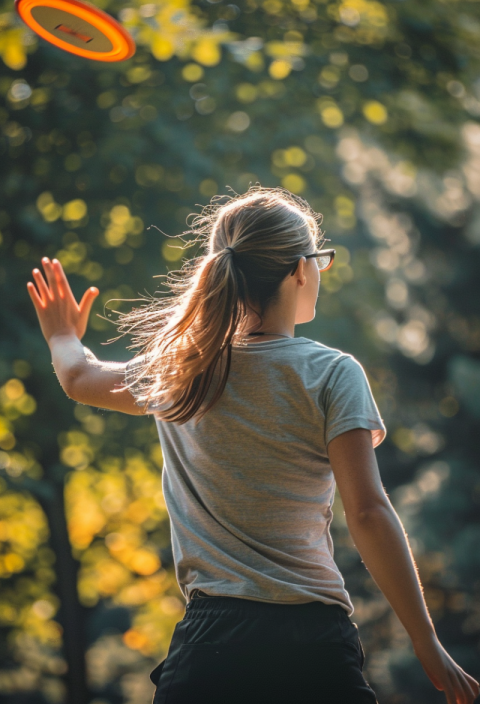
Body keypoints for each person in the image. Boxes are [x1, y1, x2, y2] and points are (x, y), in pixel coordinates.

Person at [27, 185, 479, 704]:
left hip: (210, 648)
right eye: (321, 260)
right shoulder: (332, 373)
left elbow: (79, 378)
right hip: (312, 644)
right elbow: (368, 513)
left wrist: (62, 334)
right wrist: (426, 641)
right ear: (300, 269)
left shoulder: (179, 372)